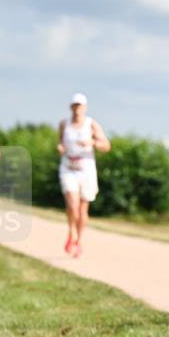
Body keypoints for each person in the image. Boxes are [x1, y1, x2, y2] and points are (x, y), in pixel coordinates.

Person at [58, 93, 110, 257]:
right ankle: (71, 232)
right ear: (71, 107)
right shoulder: (64, 124)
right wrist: (60, 147)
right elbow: (60, 142)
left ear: (85, 107)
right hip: (68, 166)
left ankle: (79, 241)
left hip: (86, 168)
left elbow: (106, 146)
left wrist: (93, 143)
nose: (77, 109)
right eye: (75, 105)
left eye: (80, 106)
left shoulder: (91, 124)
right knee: (72, 204)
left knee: (82, 209)